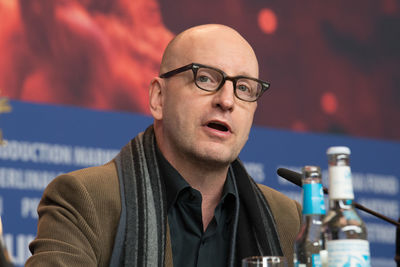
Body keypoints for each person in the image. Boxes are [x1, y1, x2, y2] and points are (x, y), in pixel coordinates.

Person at [26, 24, 301, 267]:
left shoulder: (290, 220)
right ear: (158, 98)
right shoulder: (82, 199)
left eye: (244, 88)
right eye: (204, 78)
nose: (226, 101)